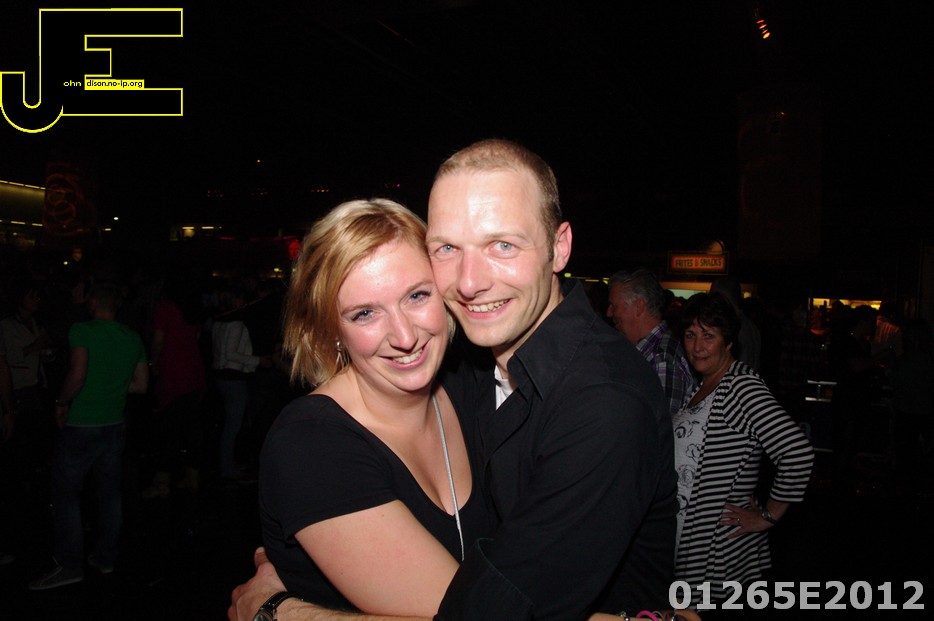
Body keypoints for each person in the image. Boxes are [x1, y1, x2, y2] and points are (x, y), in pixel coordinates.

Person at [231, 138, 678, 621]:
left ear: (559, 246)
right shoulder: (327, 437)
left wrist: (283, 613)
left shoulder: (595, 401)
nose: (468, 282)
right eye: (447, 249)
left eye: (503, 245)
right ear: (330, 327)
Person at [673, 292, 814, 606]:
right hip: (694, 540)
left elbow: (797, 453)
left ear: (728, 342)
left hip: (716, 549)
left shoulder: (740, 386)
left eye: (709, 336)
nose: (697, 346)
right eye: (690, 335)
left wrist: (767, 515)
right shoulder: (705, 384)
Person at [29, 284, 149, 590]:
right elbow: (141, 385)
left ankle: (70, 565)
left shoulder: (82, 330)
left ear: (93, 303)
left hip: (83, 424)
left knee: (66, 495)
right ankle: (105, 557)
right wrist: (112, 385)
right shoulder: (132, 337)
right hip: (115, 424)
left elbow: (78, 374)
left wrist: (61, 402)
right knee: (109, 494)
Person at [607, 268, 697, 416]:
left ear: (639, 307)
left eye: (614, 306)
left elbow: (661, 425)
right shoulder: (649, 352)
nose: (609, 313)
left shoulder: (661, 359)